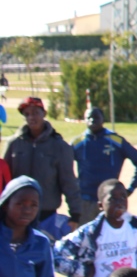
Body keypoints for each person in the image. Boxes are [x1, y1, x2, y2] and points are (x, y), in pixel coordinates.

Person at [3, 98, 81, 234]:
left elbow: (68, 182)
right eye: (27, 114)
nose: (31, 117)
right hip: (16, 217)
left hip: (46, 217)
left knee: (44, 252)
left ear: (44, 113)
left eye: (35, 113)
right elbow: (4, 180)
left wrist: (75, 214)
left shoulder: (59, 147)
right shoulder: (14, 144)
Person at [72, 108, 137, 224]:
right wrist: (73, 186)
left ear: (103, 119)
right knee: (86, 239)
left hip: (111, 201)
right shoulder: (77, 143)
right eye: (88, 118)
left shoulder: (116, 141)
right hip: (85, 202)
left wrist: (131, 187)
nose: (92, 120)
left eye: (96, 117)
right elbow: (63, 166)